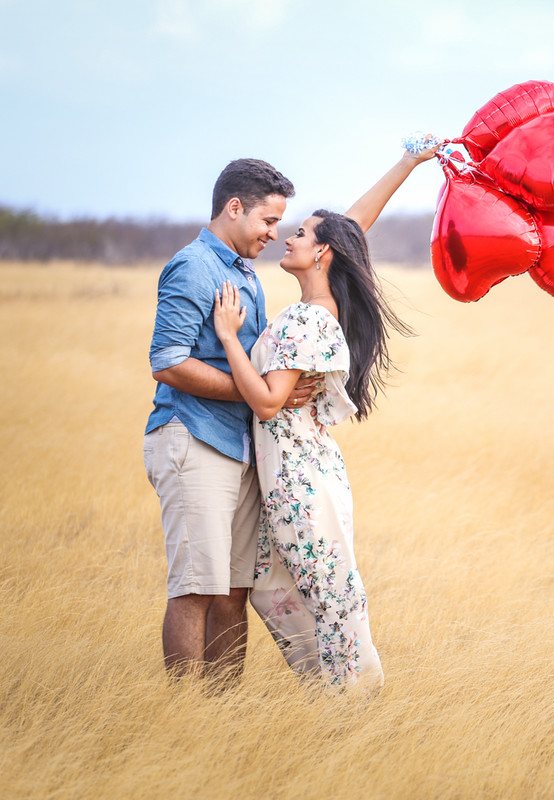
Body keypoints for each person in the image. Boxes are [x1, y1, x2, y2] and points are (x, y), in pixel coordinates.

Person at [212, 145, 438, 691]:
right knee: (291, 588)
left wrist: (228, 338)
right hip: (301, 470)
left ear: (321, 254)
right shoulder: (317, 309)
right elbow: (349, 227)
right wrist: (406, 165)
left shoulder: (307, 320)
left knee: (330, 594)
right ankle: (335, 693)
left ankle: (355, 699)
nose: (286, 238)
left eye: (299, 233)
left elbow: (268, 402)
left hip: (298, 478)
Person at [144, 158, 313, 681]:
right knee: (197, 588)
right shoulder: (194, 266)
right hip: (194, 437)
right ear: (234, 208)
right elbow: (168, 362)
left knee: (233, 591)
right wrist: (264, 395)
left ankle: (222, 716)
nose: (274, 233)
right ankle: (183, 716)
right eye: (268, 220)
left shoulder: (244, 273)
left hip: (240, 447)